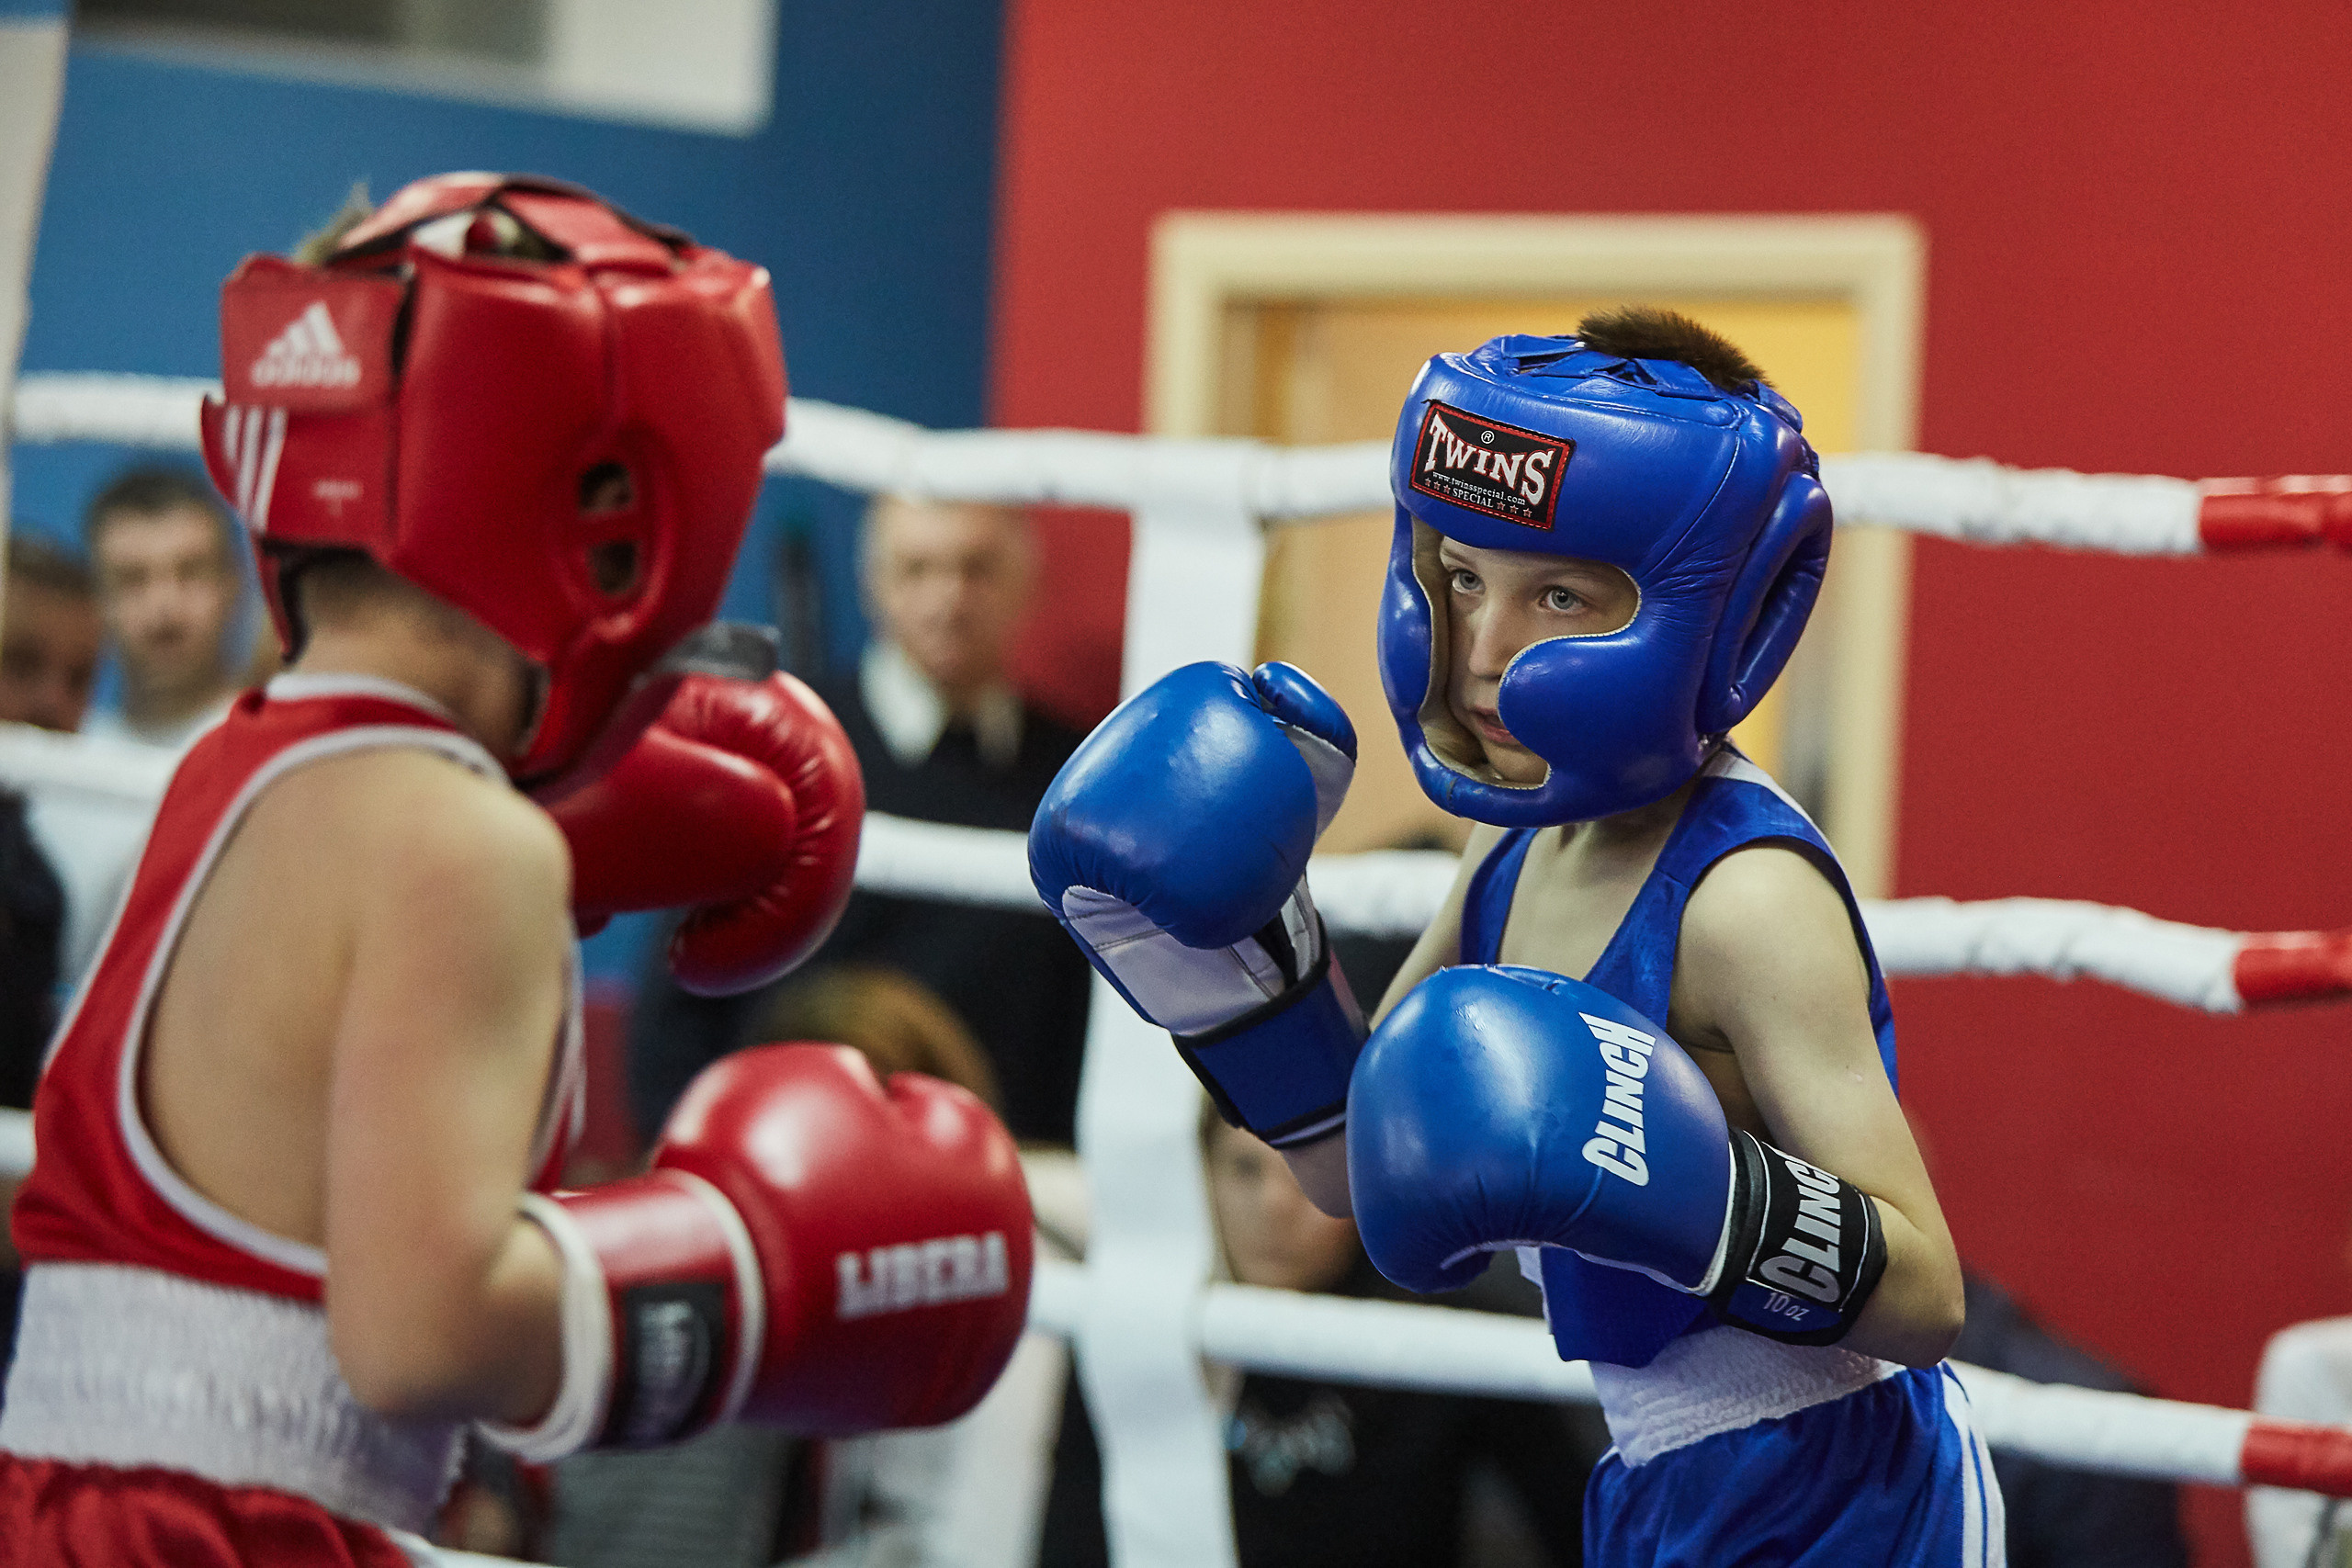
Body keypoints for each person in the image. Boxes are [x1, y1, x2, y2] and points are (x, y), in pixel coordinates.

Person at [0, 173, 1033, 1565]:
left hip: (75, 1498)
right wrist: (742, 1269)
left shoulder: (231, 768)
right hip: (235, 1529)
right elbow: (422, 1330)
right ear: (615, 503)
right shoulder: (461, 842)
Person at [1032, 310, 2001, 1564]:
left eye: (1557, 595)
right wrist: (1232, 979)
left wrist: (1707, 1197)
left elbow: (1928, 1292)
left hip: (1849, 1486)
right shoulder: (1516, 838)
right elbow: (1359, 1169)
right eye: (1463, 578)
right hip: (1655, 1463)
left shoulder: (1745, 896)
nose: (1485, 649)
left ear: (1712, 618)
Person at [633, 493, 1091, 1145]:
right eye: (918, 569)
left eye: (977, 568)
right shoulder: (784, 752)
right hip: (793, 1166)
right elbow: (676, 1007)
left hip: (1011, 1183)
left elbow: (1085, 1019)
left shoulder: (1078, 777)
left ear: (1025, 581)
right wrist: (707, 1174)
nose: (949, 598)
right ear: (873, 582)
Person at [1037, 1107, 1596, 1568]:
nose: (1276, 1208)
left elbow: (1579, 1531)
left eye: (1310, 1176)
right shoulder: (1135, 1328)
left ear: (1368, 1186)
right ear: (1200, 1175)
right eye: (1245, 1170)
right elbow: (1069, 1543)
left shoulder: (1442, 1332)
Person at [82, 466, 251, 750]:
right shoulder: (63, 753)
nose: (164, 606)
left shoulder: (271, 756)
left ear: (233, 584)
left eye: (191, 572)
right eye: (132, 579)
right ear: (96, 598)